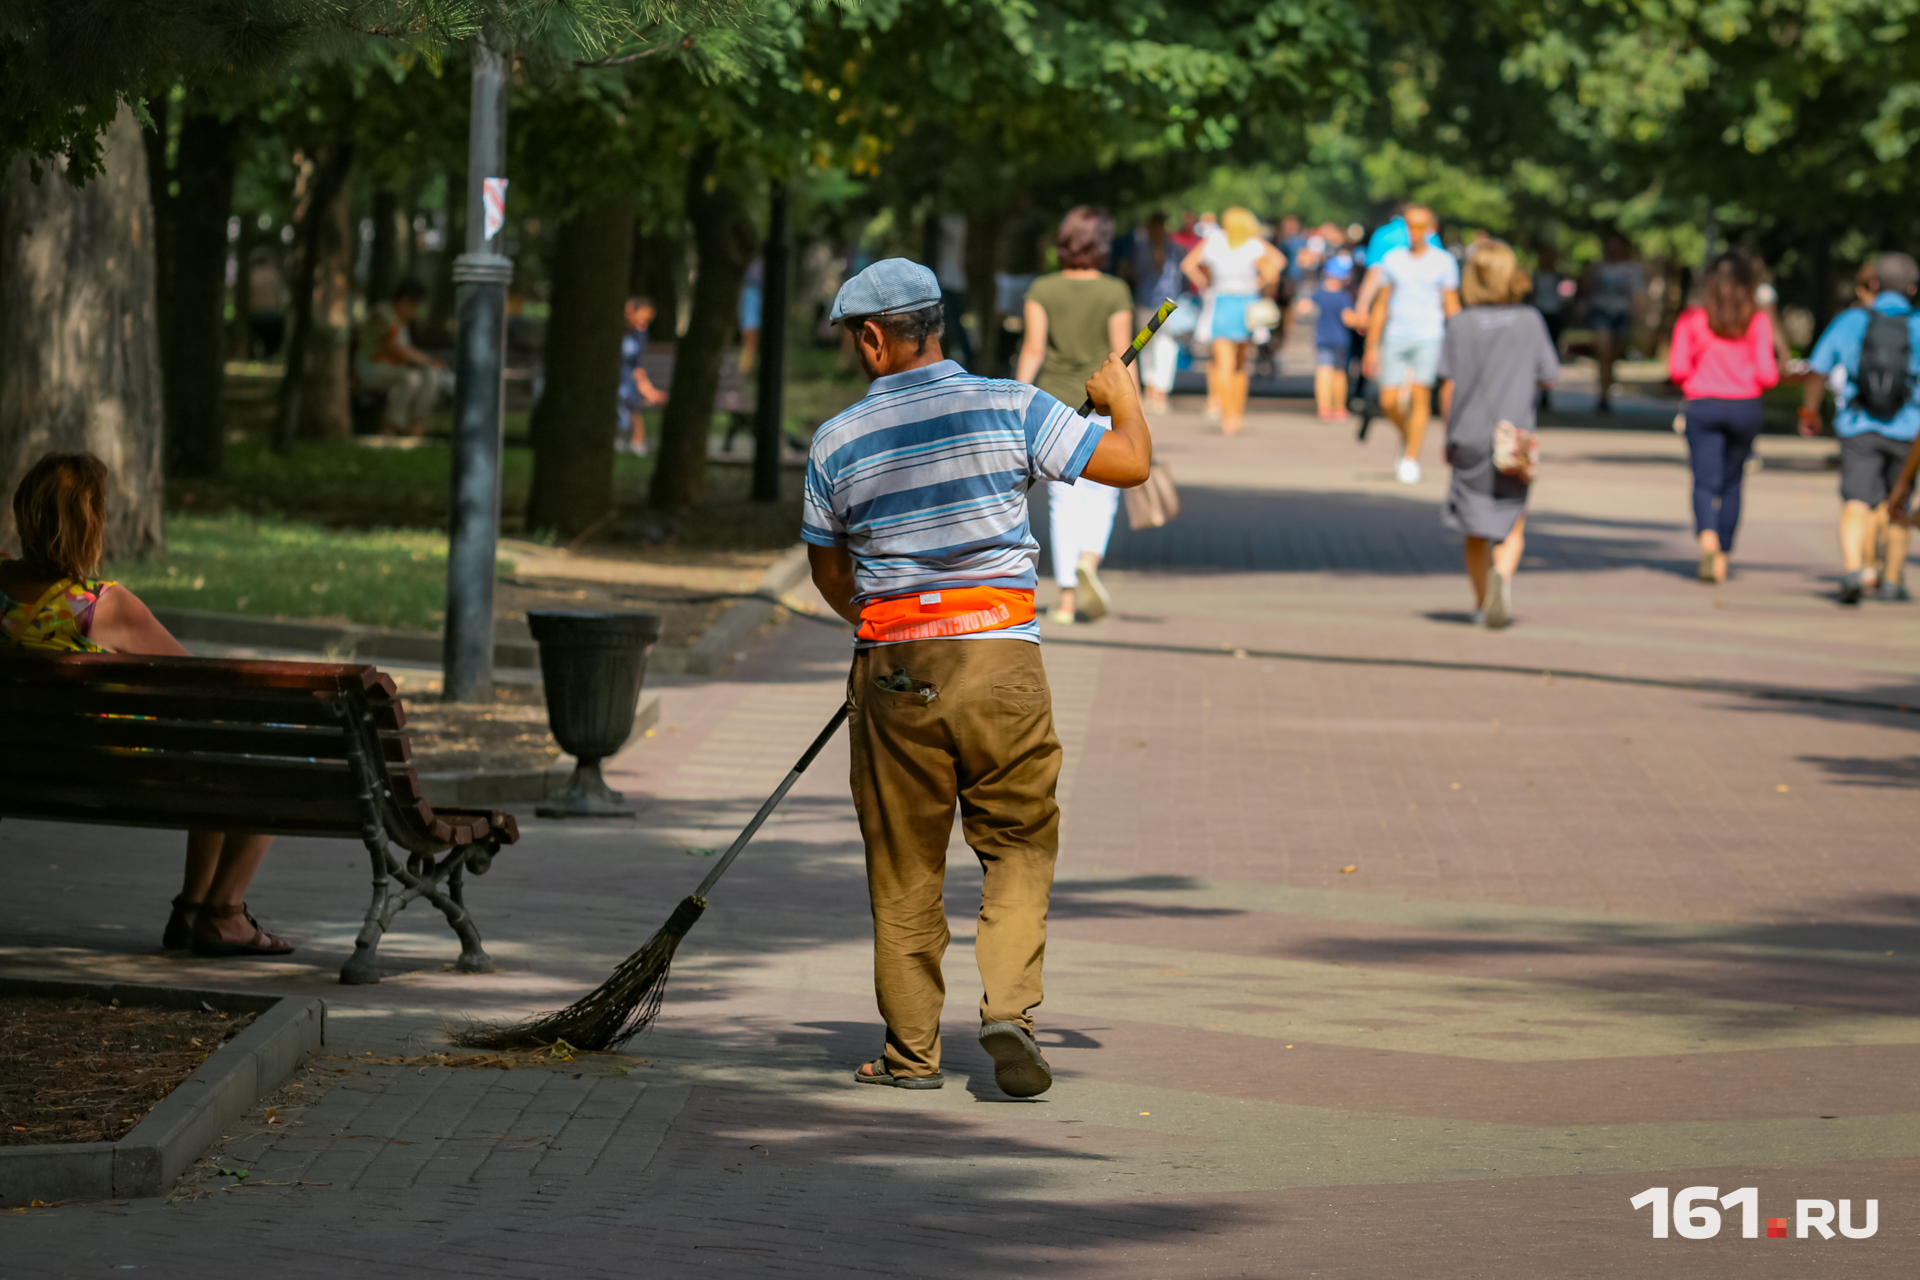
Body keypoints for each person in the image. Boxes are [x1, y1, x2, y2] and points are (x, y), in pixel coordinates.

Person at [803, 258, 1154, 1095]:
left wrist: (881, 627)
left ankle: (911, 1054)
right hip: (1002, 660)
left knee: (904, 864)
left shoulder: (836, 441)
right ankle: (1011, 1010)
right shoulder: (1015, 405)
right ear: (941, 325)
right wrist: (1121, 397)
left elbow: (828, 573)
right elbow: (1131, 464)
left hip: (893, 667)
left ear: (875, 337)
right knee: (1019, 843)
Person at [0, 452, 292, 957]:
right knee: (261, 751)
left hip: (25, 765)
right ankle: (224, 912)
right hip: (120, 768)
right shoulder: (102, 605)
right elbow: (201, 684)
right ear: (92, 524)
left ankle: (191, 911)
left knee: (210, 750)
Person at [1017, 207, 1135, 624]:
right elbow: (1122, 358)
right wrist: (1132, 411)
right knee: (1102, 492)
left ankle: (1066, 598)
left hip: (1052, 409)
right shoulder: (1115, 291)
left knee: (1061, 499)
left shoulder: (1043, 289)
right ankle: (1089, 558)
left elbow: (1033, 350)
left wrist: (1017, 400)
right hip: (1101, 405)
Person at [1437, 240, 1559, 628]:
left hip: (1468, 435)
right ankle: (1502, 577)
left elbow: (1448, 385)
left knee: (1474, 526)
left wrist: (1448, 433)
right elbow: (1548, 376)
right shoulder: (1530, 320)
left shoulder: (1459, 323)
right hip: (1515, 439)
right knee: (1513, 520)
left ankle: (1479, 603)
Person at [1801, 251, 1920, 603]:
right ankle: (1892, 578)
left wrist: (1809, 411)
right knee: (1898, 502)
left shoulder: (1851, 321)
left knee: (1856, 498)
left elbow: (1818, 368)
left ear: (1873, 284)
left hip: (1858, 424)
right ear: (1913, 289)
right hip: (1909, 429)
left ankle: (1854, 568)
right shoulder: (1917, 325)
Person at [1667, 249, 1779, 585]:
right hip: (1745, 408)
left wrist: (1697, 382)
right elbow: (1768, 375)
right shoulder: (1756, 321)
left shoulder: (1692, 319)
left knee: (1704, 483)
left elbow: (1677, 369)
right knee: (1732, 484)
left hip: (1703, 406)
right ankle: (1723, 559)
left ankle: (1708, 541)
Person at [1363, 205, 1461, 484]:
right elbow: (1381, 305)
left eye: (1420, 227)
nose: (1414, 232)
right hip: (1396, 334)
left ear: (1431, 229)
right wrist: (1372, 345)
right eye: (1410, 226)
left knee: (1420, 396)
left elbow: (1451, 306)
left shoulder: (1443, 262)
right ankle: (1409, 437)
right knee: (1389, 400)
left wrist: (1459, 341)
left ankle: (1410, 458)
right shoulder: (1393, 259)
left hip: (1429, 335)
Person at [1180, 206, 1285, 435]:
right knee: (1240, 365)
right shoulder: (1254, 244)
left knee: (1223, 365)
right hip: (1247, 303)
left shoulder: (1213, 241)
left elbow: (1187, 264)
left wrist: (1204, 282)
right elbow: (1277, 265)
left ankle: (1226, 416)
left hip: (1220, 302)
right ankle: (1236, 414)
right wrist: (1258, 284)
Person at [355, 280, 449, 436]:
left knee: (433, 376)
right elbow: (397, 348)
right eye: (415, 306)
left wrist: (430, 364)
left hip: (392, 370)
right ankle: (389, 428)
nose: (416, 312)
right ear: (405, 302)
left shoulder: (400, 320)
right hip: (370, 368)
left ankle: (415, 425)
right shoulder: (383, 314)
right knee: (411, 379)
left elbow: (405, 349)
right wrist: (427, 361)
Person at [1127, 213, 1184, 411]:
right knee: (1146, 345)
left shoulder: (1175, 249)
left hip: (1167, 303)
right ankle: (1150, 387)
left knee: (1166, 345)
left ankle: (1161, 390)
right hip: (1146, 301)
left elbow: (1180, 278)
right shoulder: (1141, 249)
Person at [1586, 234, 1644, 412]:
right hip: (1602, 313)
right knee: (1604, 355)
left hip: (1622, 315)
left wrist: (1639, 317)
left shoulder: (1632, 269)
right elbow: (1588, 290)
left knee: (1614, 356)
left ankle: (1608, 386)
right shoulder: (1600, 267)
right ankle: (1603, 395)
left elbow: (1638, 294)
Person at [1304, 259, 1357, 419]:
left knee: (1323, 372)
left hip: (1321, 338)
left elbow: (1303, 307)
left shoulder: (1318, 294)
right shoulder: (1343, 297)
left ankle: (1324, 408)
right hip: (1340, 340)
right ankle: (1339, 408)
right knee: (1339, 374)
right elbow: (1348, 319)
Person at [617, 296, 669, 455]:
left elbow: (637, 366)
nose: (644, 323)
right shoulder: (616, 330)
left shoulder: (641, 333)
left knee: (632, 398)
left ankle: (636, 441)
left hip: (628, 378)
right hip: (618, 376)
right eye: (643, 317)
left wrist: (649, 390)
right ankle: (621, 438)